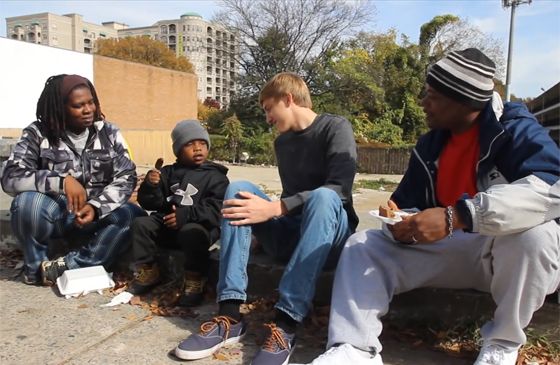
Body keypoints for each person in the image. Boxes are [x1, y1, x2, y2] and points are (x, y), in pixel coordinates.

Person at [297, 48, 560, 365]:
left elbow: (552, 186)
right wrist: (400, 223)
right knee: (363, 245)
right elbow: (408, 204)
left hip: (504, 254)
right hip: (452, 251)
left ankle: (502, 345)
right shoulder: (430, 144)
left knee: (536, 236)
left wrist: (458, 215)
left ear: (464, 100)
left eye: (432, 95)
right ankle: (355, 348)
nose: (423, 101)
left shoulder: (515, 129)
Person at [174, 72, 359, 364]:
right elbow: (291, 195)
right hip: (291, 234)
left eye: (268, 109)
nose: (267, 119)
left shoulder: (335, 127)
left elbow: (340, 191)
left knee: (324, 197)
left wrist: (276, 209)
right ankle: (230, 315)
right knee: (238, 189)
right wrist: (262, 227)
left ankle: (286, 325)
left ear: (288, 99)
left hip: (331, 236)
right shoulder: (283, 143)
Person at [1, 74, 145, 286]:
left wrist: (96, 207)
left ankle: (68, 266)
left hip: (95, 215)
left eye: (91, 102)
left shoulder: (109, 132)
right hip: (57, 214)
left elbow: (126, 177)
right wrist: (61, 181)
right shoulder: (38, 133)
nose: (88, 110)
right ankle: (35, 268)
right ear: (60, 108)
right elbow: (11, 176)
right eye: (78, 106)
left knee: (133, 216)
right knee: (26, 205)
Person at [127, 120, 229, 307]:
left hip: (198, 229)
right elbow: (152, 203)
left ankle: (194, 280)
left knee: (192, 232)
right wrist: (151, 186)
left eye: (202, 143)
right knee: (141, 224)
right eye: (190, 144)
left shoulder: (216, 177)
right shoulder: (168, 172)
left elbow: (217, 209)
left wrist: (186, 215)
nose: (197, 148)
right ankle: (148, 270)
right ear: (178, 150)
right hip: (169, 225)